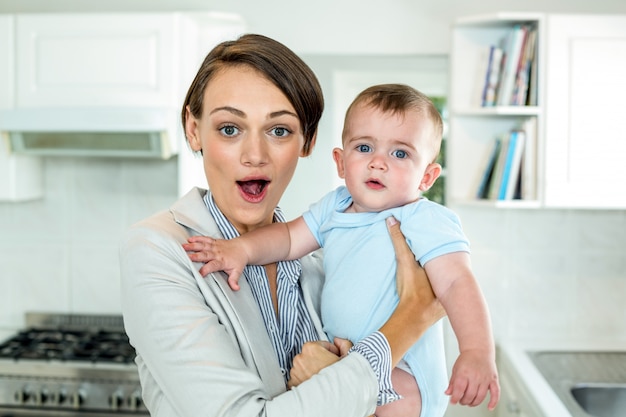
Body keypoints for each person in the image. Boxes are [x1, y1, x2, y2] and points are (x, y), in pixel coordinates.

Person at [120, 34, 446, 417]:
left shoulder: (326, 254)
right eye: (229, 129)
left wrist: (338, 377)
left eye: (279, 131)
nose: (254, 155)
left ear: (307, 141)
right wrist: (412, 318)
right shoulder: (157, 249)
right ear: (193, 129)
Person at [184, 84, 500, 417]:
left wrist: (477, 351)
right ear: (340, 161)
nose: (378, 163)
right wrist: (241, 250)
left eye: (400, 153)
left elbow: (456, 284)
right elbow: (289, 239)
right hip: (346, 362)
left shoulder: (425, 219)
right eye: (364, 147)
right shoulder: (334, 208)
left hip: (406, 375)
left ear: (428, 176)